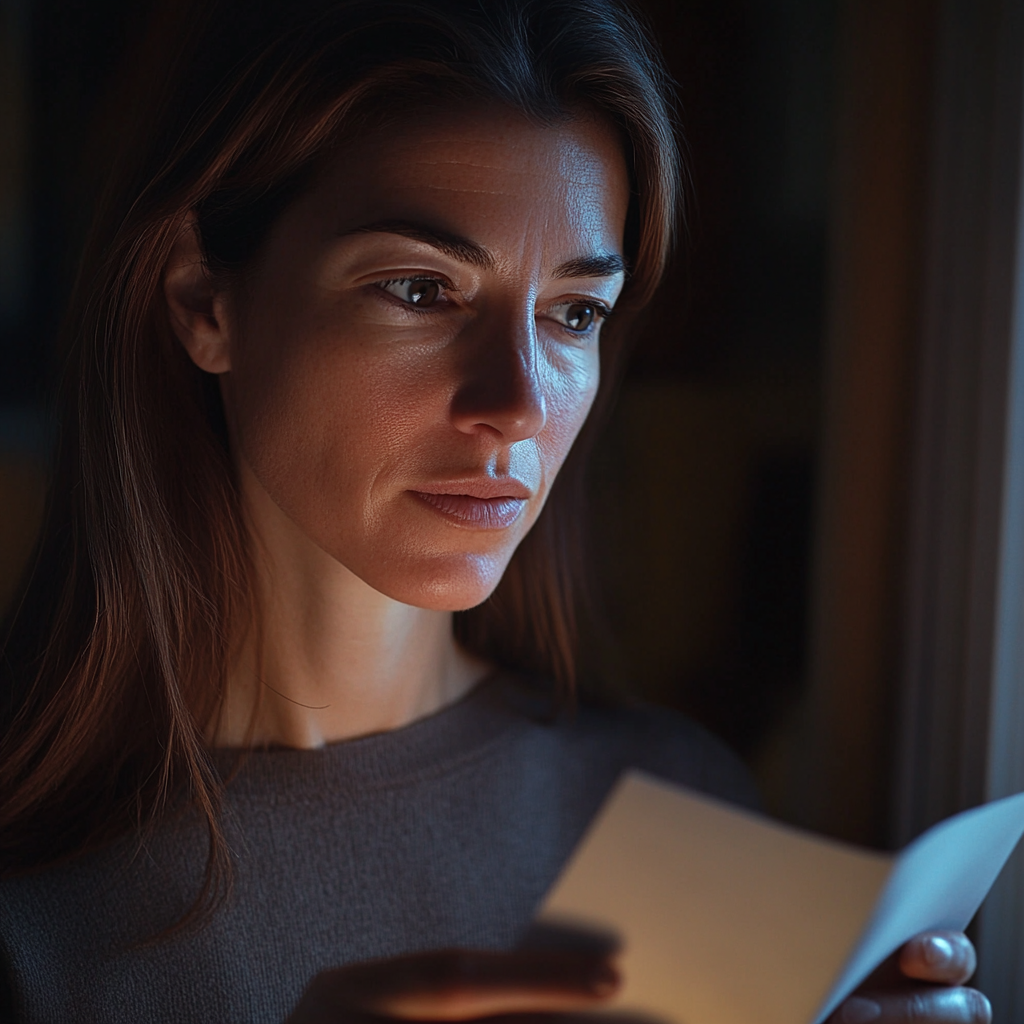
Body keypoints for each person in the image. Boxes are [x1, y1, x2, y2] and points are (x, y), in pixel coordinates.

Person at [0, 0, 992, 1021]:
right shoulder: (33, 907)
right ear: (203, 301)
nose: (518, 401)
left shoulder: (679, 807)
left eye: (573, 313)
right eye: (421, 290)